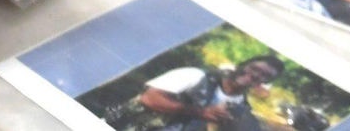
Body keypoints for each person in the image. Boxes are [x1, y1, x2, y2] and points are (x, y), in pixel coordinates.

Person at [115, 54, 284, 131]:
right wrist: (201, 112)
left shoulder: (241, 109)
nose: (255, 75)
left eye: (265, 76)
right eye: (255, 68)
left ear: (265, 83)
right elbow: (149, 98)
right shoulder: (196, 75)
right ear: (242, 64)